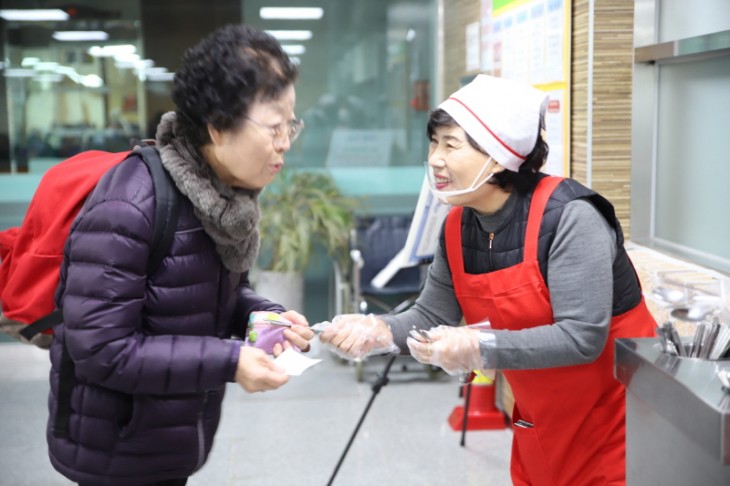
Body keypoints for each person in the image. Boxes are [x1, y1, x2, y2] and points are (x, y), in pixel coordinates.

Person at [320, 74, 656, 485]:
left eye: (450, 144)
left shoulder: (571, 217)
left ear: (499, 155)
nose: (435, 158)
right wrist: (378, 331)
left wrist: (478, 346)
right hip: (542, 423)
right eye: (434, 143)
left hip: (618, 421)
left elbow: (582, 337)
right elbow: (430, 313)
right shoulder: (458, 226)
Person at [47, 24, 314, 486]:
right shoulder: (130, 204)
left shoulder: (222, 198)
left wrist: (266, 318)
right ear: (216, 124)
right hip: (115, 451)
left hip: (167, 439)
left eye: (291, 124)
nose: (285, 142)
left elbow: (209, 293)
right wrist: (228, 362)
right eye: (274, 126)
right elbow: (101, 349)